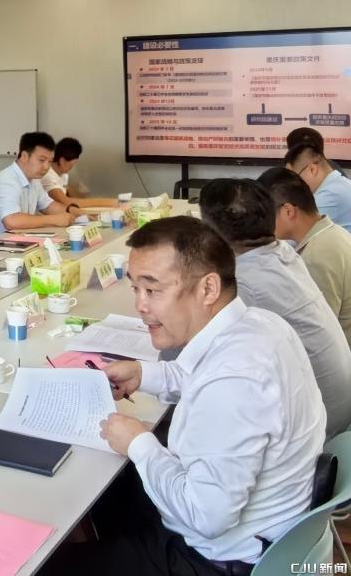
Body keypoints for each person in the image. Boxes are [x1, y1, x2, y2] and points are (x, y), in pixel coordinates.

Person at [41, 217, 325, 576]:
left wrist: (138, 443)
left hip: (216, 558)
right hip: (267, 524)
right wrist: (143, 374)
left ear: (208, 288)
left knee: (49, 563)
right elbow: (199, 375)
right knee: (109, 490)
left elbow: (206, 517)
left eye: (153, 290)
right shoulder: (260, 325)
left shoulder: (233, 382)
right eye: (136, 288)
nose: (140, 305)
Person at [198, 178, 351, 437]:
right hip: (338, 404)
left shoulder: (244, 283)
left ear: (212, 235)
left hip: (317, 424)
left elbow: (204, 355)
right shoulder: (283, 254)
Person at [258, 166, 351, 344]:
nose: (262, 223)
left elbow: (318, 332)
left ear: (288, 211)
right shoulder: (331, 233)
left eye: (264, 215)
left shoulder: (317, 256)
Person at [0, 131, 84, 244]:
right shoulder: (7, 180)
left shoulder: (34, 179)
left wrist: (72, 211)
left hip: (12, 241)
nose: (46, 167)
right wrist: (54, 219)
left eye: (49, 161)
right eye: (41, 160)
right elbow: (11, 221)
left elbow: (48, 205)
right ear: (24, 156)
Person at [284, 142, 351, 232]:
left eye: (295, 178)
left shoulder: (330, 195)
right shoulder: (337, 184)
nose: (294, 186)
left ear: (312, 169)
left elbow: (296, 234)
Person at [41, 137, 118, 209]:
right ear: (62, 161)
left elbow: (71, 196)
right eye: (72, 165)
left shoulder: (63, 173)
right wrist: (108, 202)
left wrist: (79, 190)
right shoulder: (47, 176)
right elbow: (66, 202)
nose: (72, 168)